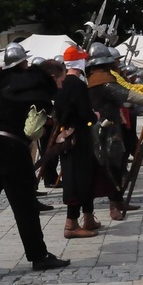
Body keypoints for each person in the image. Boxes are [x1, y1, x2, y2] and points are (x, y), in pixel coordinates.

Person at [0, 45, 71, 283]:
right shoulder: (37, 91)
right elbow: (31, 131)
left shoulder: (7, 85)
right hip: (12, 151)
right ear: (25, 64)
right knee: (26, 209)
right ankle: (39, 255)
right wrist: (48, 127)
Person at [86, 43, 143, 220]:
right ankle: (113, 205)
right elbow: (127, 95)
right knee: (111, 167)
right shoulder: (103, 80)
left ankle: (117, 201)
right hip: (105, 128)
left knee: (117, 164)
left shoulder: (99, 77)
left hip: (110, 124)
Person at [53, 46, 102, 238]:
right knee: (77, 178)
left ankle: (88, 217)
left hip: (68, 134)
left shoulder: (62, 83)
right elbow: (84, 114)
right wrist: (94, 117)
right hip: (78, 136)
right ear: (79, 62)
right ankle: (71, 224)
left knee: (86, 176)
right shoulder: (77, 85)